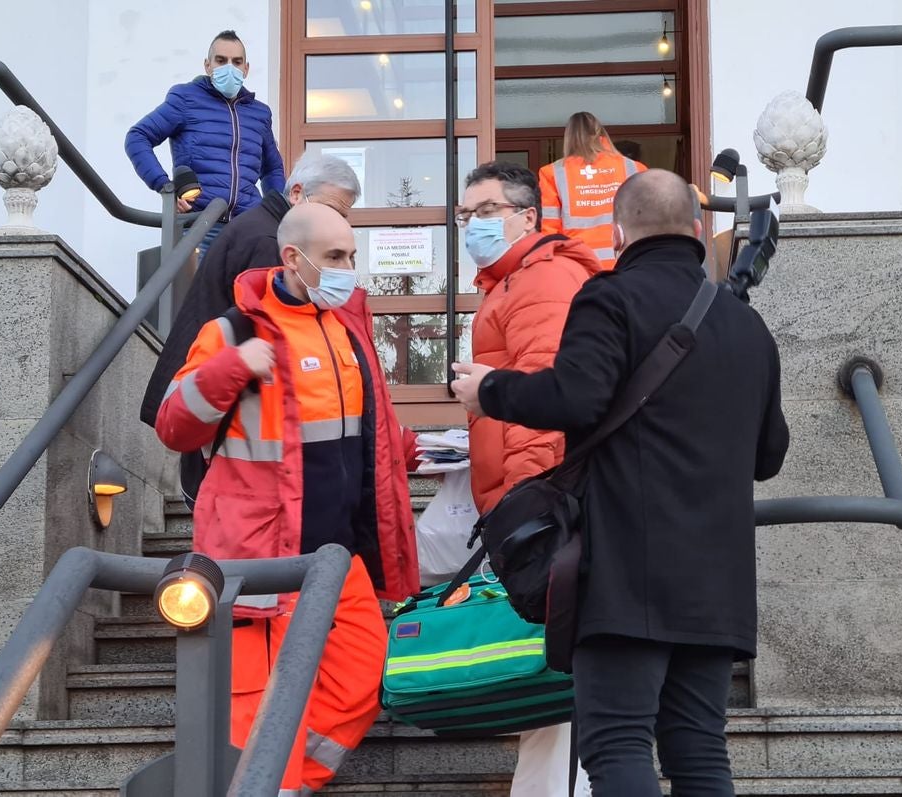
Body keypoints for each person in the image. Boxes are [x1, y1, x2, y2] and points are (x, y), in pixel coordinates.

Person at [449, 169, 790, 795]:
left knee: (618, 742)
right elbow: (770, 455)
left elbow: (575, 398)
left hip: (627, 569)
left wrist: (487, 389)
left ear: (617, 232)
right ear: (695, 228)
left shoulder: (609, 297)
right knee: (699, 752)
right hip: (718, 575)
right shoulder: (748, 328)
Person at [154, 201, 418, 794]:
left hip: (337, 556)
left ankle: (288, 784)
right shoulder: (231, 331)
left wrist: (406, 452)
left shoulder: (347, 326)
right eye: (335, 257)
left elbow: (357, 428)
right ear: (292, 259)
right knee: (254, 710)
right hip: (261, 557)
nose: (350, 268)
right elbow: (175, 426)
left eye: (352, 254)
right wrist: (230, 367)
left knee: (361, 676)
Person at [457, 161, 600, 796]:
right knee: (553, 692)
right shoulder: (511, 282)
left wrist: (524, 504)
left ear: (527, 217)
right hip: (524, 498)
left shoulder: (541, 282)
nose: (473, 225)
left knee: (560, 690)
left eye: (486, 211)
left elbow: (545, 398)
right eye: (465, 215)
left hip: (541, 501)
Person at [139, 151, 361, 430]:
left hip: (209, 401)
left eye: (343, 215)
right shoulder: (270, 244)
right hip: (222, 417)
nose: (337, 222)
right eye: (331, 210)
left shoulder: (260, 228)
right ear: (296, 193)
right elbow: (273, 340)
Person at [125, 29, 285, 259]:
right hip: (199, 227)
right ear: (207, 65)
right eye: (221, 60)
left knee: (245, 294)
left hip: (248, 231)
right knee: (198, 295)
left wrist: (275, 212)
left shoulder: (259, 114)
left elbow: (272, 168)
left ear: (246, 69)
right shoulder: (186, 98)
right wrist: (164, 186)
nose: (229, 67)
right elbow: (138, 137)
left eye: (236, 62)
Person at [538, 112, 647, 270]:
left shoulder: (552, 173)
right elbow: (650, 221)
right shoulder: (634, 168)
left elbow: (549, 233)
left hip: (580, 268)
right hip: (628, 265)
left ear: (569, 137)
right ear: (600, 133)